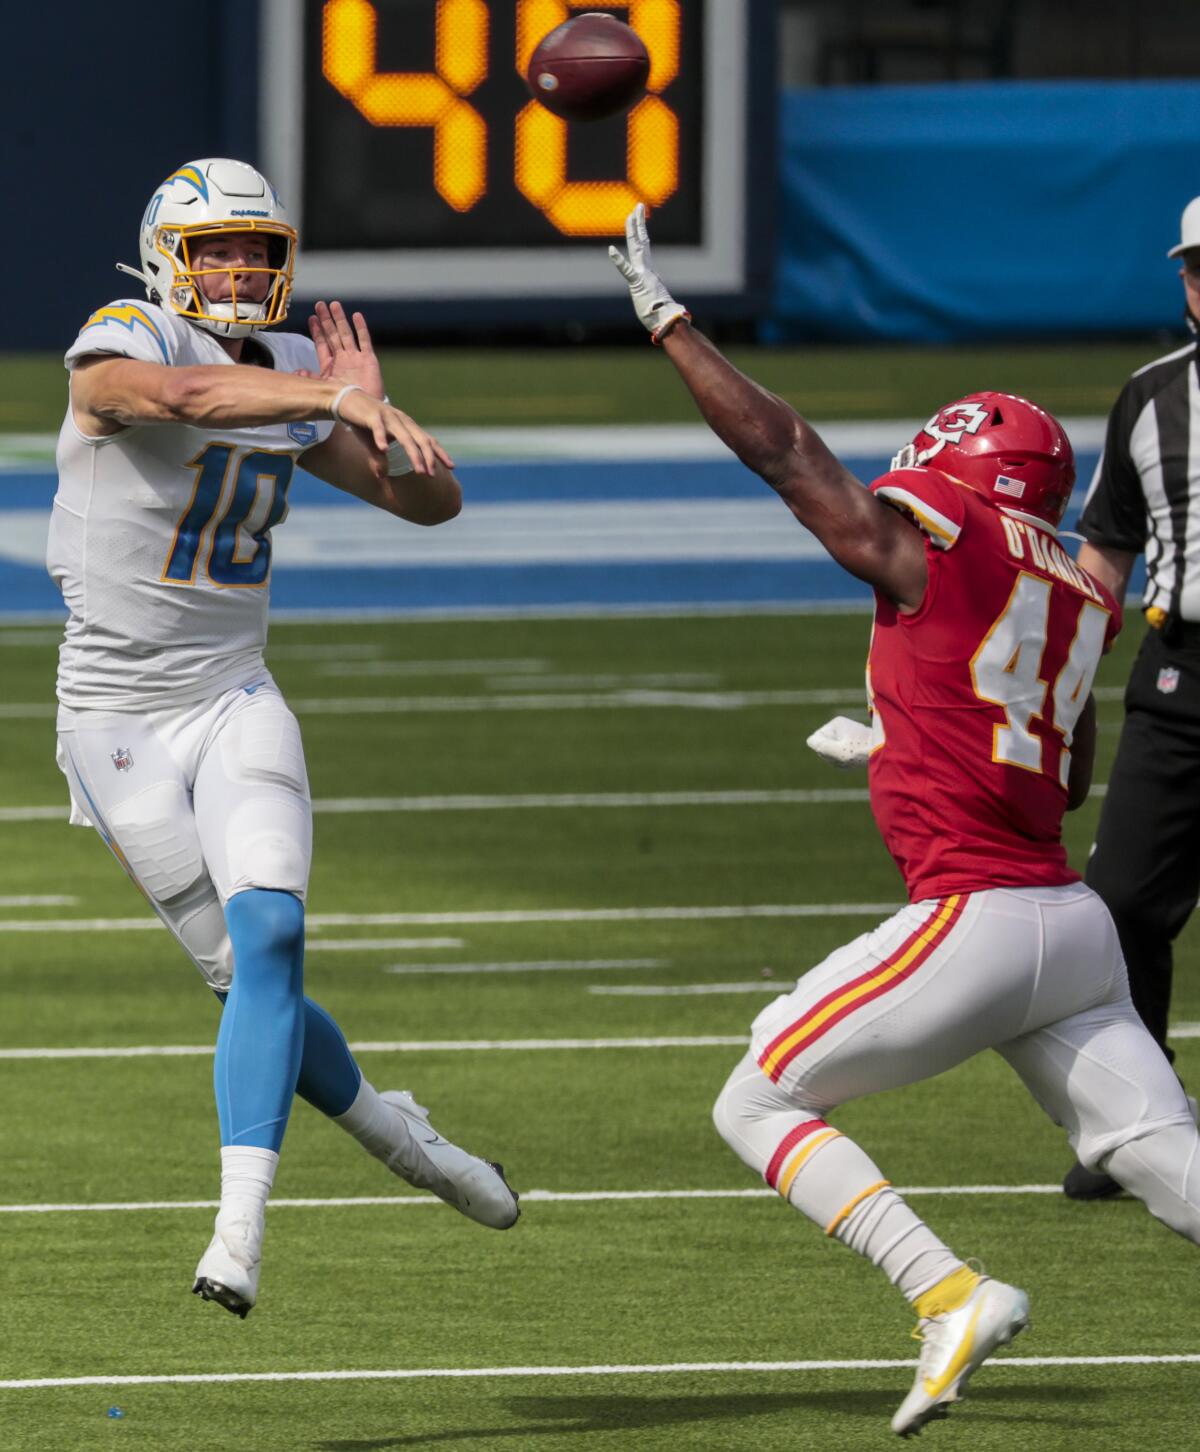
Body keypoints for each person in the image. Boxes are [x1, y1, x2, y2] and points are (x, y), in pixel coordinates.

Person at [608, 204, 1200, 1438]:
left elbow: (789, 455)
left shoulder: (950, 538)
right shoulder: (1079, 594)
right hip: (1072, 926)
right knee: (1164, 1158)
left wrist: (671, 326)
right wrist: (911, 736)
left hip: (980, 917)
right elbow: (1062, 774)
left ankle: (947, 1290)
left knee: (754, 1100)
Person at [48, 158, 519, 1320]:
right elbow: (168, 401)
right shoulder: (130, 332)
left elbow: (430, 504)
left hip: (232, 691)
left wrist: (383, 418)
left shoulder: (295, 370)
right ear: (168, 258)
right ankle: (398, 1134)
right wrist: (326, 399)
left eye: (259, 252)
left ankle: (238, 1232)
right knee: (235, 979)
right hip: (113, 717)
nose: (243, 271)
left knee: (271, 941)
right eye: (219, 252)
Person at [1059, 195, 1200, 1200]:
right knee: (1119, 907)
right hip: (1183, 679)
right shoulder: (1153, 397)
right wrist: (1054, 672)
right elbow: (1104, 551)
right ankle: (1144, 1125)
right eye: (1194, 267)